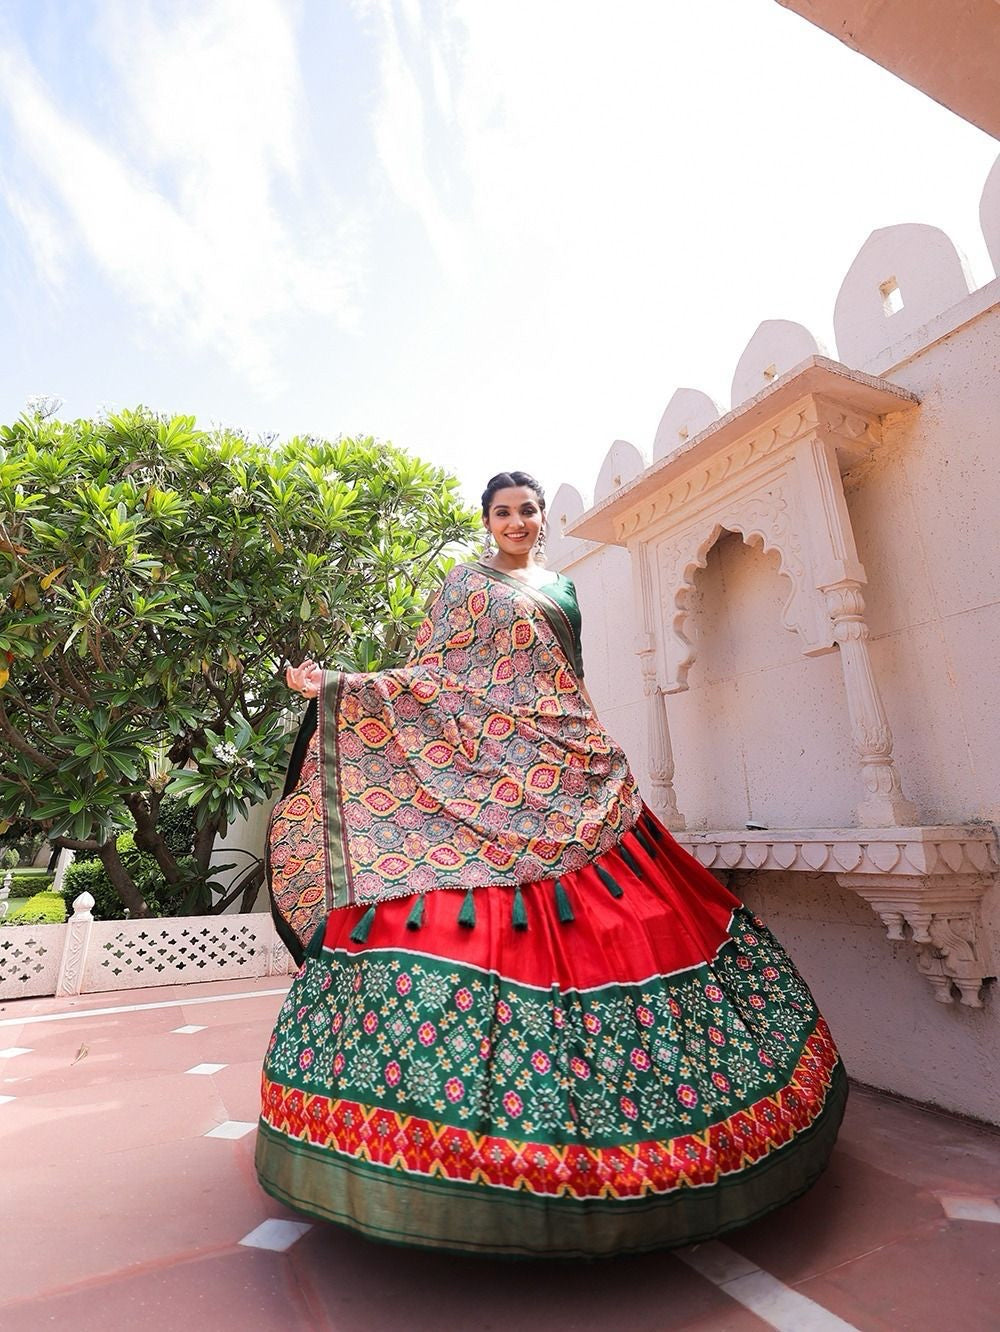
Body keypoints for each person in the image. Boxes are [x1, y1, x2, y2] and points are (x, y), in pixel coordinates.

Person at [256, 470, 846, 1258]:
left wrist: (581, 747)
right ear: (486, 520)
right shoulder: (464, 587)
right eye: (503, 512)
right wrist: (342, 687)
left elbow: (567, 680)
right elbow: (438, 678)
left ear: (542, 517)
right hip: (489, 767)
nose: (517, 521)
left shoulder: (564, 589)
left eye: (528, 510)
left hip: (569, 758)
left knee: (644, 909)